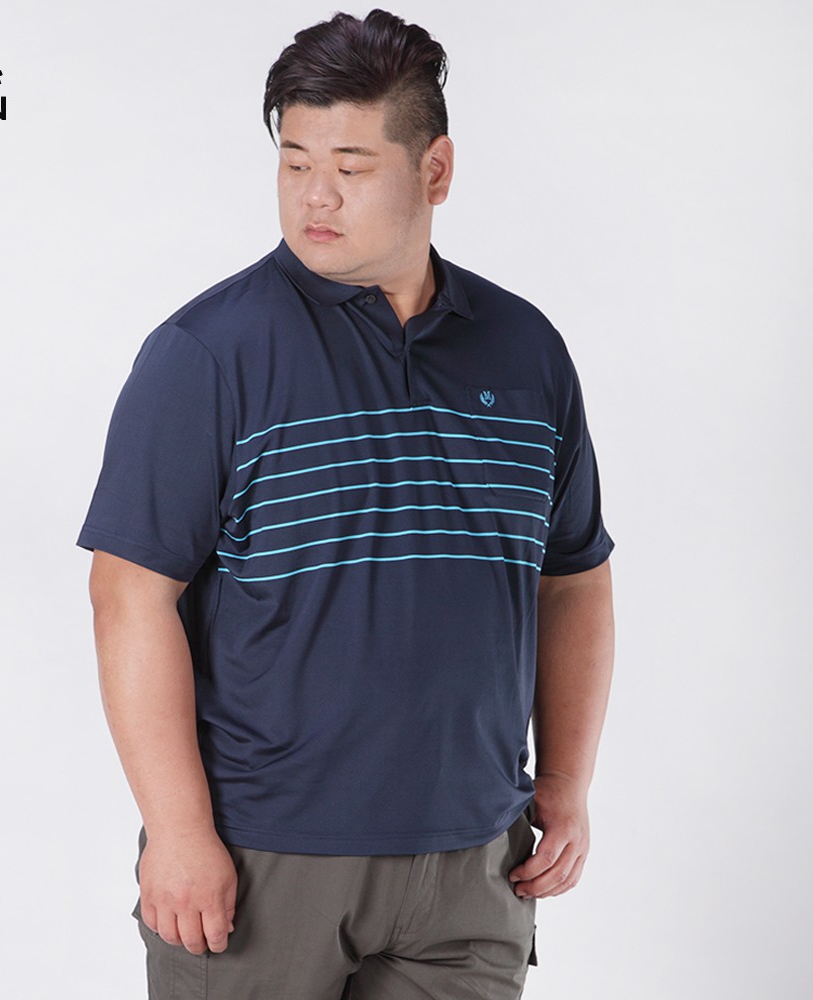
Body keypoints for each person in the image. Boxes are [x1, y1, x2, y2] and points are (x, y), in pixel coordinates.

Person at [78, 9, 614, 999]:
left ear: (434, 170)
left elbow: (573, 578)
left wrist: (567, 783)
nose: (314, 196)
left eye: (351, 167)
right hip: (260, 861)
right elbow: (129, 596)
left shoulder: (525, 349)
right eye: (294, 162)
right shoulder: (208, 354)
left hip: (474, 864)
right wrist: (179, 831)